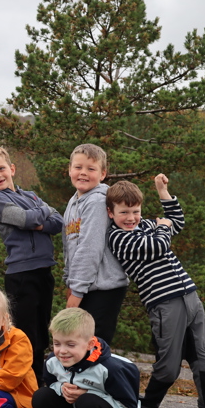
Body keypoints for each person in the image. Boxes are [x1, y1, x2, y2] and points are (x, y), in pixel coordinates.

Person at [106, 176, 205, 408]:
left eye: (135, 211)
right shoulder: (117, 237)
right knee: (168, 368)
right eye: (124, 212)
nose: (131, 218)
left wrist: (162, 192)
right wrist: (162, 228)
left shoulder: (145, 225)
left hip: (190, 296)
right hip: (164, 303)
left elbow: (176, 219)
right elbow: (158, 245)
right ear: (111, 213)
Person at [0, 145, 63, 384]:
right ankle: (27, 383)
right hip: (22, 272)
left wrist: (39, 217)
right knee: (26, 333)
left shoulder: (31, 195)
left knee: (43, 330)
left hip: (44, 269)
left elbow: (58, 222)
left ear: (12, 169)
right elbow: (25, 219)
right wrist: (42, 212)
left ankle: (40, 379)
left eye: (1, 168)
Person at [62, 144, 128, 345]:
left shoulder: (97, 202)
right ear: (70, 170)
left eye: (91, 169)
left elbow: (90, 249)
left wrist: (77, 290)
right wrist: (69, 281)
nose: (83, 173)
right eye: (78, 167)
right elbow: (70, 246)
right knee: (78, 342)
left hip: (104, 288)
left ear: (103, 174)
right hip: (85, 285)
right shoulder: (73, 202)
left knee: (94, 345)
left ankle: (94, 378)